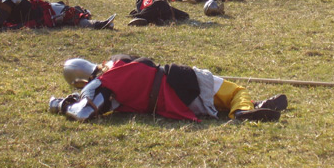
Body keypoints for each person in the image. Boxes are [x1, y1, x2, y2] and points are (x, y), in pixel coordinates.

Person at [49, 54, 288, 122]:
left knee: (221, 99)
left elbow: (84, 109)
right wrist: (65, 104)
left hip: (171, 99)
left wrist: (59, 103)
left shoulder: (104, 85)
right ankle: (243, 112)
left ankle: (257, 106)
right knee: (236, 91)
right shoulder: (111, 72)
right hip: (179, 81)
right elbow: (83, 113)